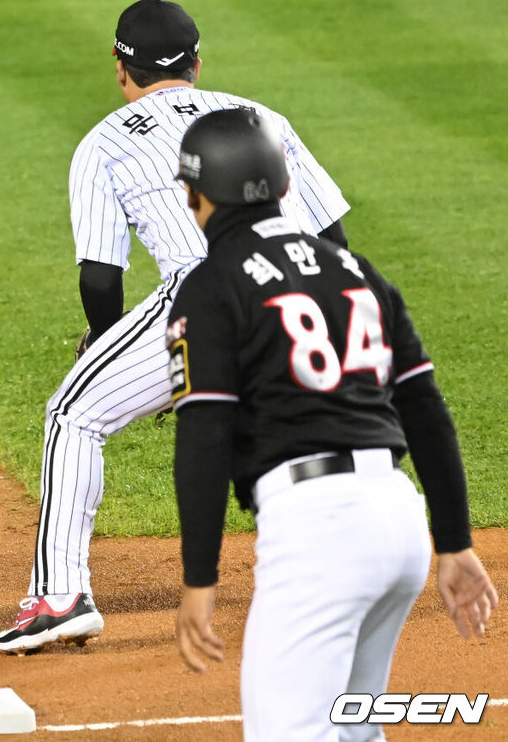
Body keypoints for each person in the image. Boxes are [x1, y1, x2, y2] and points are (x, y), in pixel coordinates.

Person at [0, 0, 351, 654]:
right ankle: (339, 573)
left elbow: (102, 276)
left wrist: (106, 346)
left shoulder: (104, 141)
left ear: (119, 66)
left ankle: (60, 596)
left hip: (208, 294)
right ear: (197, 62)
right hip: (308, 290)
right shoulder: (260, 117)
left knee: (74, 413)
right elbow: (332, 234)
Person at [167, 108, 498, 740]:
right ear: (285, 187)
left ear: (196, 196)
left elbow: (206, 437)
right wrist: (454, 542)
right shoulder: (357, 271)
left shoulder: (212, 287)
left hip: (318, 530)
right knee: (352, 728)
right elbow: (425, 410)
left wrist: (200, 580)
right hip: (400, 520)